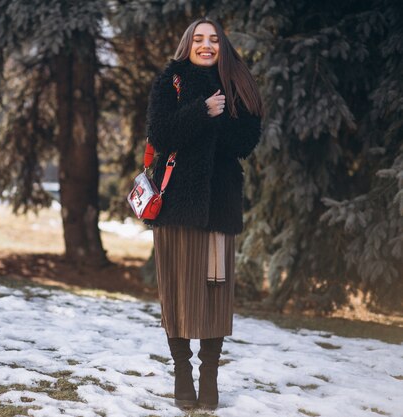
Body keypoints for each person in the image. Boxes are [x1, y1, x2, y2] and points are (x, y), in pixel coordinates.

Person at [144, 17, 263, 410]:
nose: (206, 45)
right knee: (176, 293)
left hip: (219, 204)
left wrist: (220, 116)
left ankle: (209, 377)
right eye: (199, 39)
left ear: (222, 45)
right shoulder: (171, 80)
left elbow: (245, 142)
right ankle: (182, 375)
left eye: (213, 39)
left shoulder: (238, 82)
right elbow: (160, 136)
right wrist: (202, 112)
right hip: (176, 205)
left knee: (215, 296)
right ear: (187, 44)